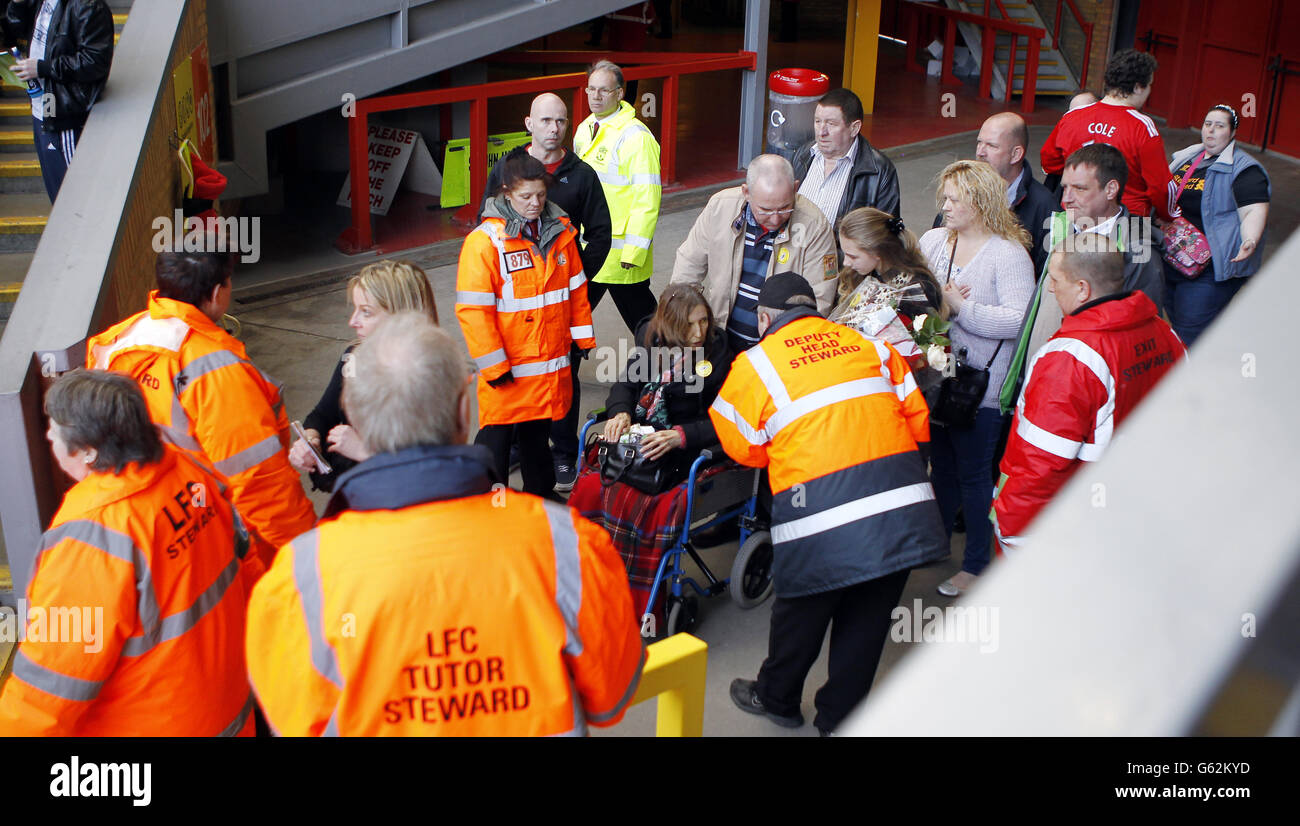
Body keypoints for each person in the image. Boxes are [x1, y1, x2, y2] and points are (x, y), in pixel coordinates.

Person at [245, 313, 644, 736]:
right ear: (462, 408)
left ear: (355, 421)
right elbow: (611, 697)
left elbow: (290, 719)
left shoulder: (299, 581)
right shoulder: (566, 545)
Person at [709, 273, 947, 736]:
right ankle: (840, 720)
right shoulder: (872, 347)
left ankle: (776, 698)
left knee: (800, 610)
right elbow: (919, 425)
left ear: (764, 318)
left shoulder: (754, 365)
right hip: (901, 512)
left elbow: (744, 448)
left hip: (818, 514)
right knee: (868, 622)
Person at [0, 370, 257, 736]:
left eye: (54, 430)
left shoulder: (93, 541)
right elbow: (246, 565)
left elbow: (49, 686)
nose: (48, 436)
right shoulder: (189, 471)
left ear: (87, 450)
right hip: (228, 711)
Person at [87, 247, 316, 562]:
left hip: (138, 519)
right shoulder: (216, 370)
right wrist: (307, 549)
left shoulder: (115, 341)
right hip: (206, 528)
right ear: (217, 293)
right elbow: (256, 477)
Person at [992, 240, 1186, 552]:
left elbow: (1039, 465)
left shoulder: (1068, 360)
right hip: (1138, 517)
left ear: (1083, 289)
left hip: (1071, 534)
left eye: (1055, 279)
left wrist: (1012, 538)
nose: (1051, 290)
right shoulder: (1164, 333)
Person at [568, 284, 733, 623]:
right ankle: (587, 580)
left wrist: (680, 436)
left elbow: (726, 418)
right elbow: (627, 384)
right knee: (589, 487)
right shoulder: (652, 338)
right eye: (689, 325)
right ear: (670, 326)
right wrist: (620, 412)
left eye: (703, 321)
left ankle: (631, 599)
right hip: (644, 439)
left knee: (641, 505)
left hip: (687, 446)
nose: (699, 332)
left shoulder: (717, 353)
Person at [477, 92, 612, 492]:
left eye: (562, 121)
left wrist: (572, 280)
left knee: (561, 387)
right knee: (508, 412)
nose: (555, 128)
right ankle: (500, 492)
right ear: (529, 123)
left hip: (556, 320)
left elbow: (600, 236)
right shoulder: (506, 172)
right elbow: (485, 223)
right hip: (514, 323)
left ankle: (563, 454)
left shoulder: (581, 176)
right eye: (547, 120)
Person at [918, 160, 1035, 597]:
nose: (944, 206)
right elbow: (916, 293)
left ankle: (976, 565)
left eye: (953, 199)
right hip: (938, 378)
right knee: (941, 468)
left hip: (980, 389)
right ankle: (936, 543)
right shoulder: (933, 240)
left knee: (974, 476)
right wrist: (941, 303)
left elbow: (1017, 320)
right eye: (944, 197)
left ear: (980, 202)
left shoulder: (1008, 255)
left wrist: (961, 308)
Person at [456, 153, 595, 498]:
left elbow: (576, 289)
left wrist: (582, 339)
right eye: (525, 197)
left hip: (546, 364)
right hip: (509, 369)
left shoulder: (561, 232)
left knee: (537, 436)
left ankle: (540, 497)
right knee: (496, 440)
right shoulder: (484, 243)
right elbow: (475, 311)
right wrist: (494, 367)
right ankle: (492, 505)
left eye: (541, 195)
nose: (535, 204)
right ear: (505, 193)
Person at [1000, 144, 1165, 414]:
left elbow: (1139, 339)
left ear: (1111, 190)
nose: (1067, 198)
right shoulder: (1058, 227)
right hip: (1039, 383)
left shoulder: (1138, 251)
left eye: (1080, 188)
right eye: (1065, 188)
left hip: (1087, 400)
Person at [288, 260, 439, 493]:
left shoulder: (431, 378)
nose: (352, 321)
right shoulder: (354, 357)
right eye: (355, 309)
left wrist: (363, 451)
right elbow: (322, 414)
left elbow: (428, 467)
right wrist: (309, 440)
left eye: (366, 312)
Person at [670, 153, 838, 354]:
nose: (775, 220)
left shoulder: (815, 226)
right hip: (718, 338)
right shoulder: (720, 207)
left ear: (795, 188)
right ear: (746, 192)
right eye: (765, 210)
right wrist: (683, 318)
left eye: (785, 208)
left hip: (778, 350)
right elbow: (689, 264)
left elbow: (820, 300)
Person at [1162, 104, 1271, 347]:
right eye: (1207, 124)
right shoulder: (1187, 157)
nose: (1210, 131)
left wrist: (1249, 239)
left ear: (1232, 133)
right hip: (1175, 258)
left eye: (1219, 126)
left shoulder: (1245, 169)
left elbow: (1253, 209)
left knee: (1189, 333)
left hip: (1212, 269)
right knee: (1181, 326)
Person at [1040, 49, 1179, 223]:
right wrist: (1170, 216)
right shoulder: (1142, 127)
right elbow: (1161, 188)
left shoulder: (1072, 117)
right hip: (1127, 221)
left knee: (1068, 251)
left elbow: (1049, 162)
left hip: (1074, 217)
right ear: (1137, 87)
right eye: (1149, 85)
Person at [573, 60, 661, 333]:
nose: (596, 96)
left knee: (646, 325)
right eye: (591, 89)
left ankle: (669, 367)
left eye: (604, 91)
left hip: (621, 253)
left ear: (620, 94)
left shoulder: (636, 137)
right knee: (573, 319)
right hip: (593, 248)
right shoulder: (585, 129)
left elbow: (647, 198)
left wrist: (634, 251)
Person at [3, 0, 113, 202]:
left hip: (66, 108)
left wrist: (43, 67)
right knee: (55, 184)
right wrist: (17, 4)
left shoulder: (88, 6)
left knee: (72, 193)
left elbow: (95, 62)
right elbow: (14, 32)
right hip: (45, 101)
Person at [833, 207, 946, 398]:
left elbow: (927, 351)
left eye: (853, 256)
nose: (846, 263)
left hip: (897, 389)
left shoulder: (916, 289)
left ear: (877, 252)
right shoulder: (867, 274)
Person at [791, 88, 901, 232]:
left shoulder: (879, 170)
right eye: (818, 121)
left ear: (854, 128)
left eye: (831, 124)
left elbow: (888, 235)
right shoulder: (802, 155)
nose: (821, 132)